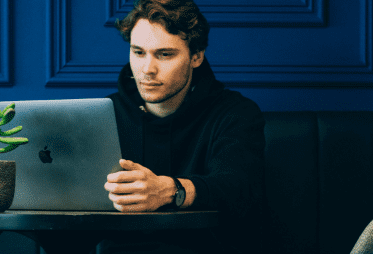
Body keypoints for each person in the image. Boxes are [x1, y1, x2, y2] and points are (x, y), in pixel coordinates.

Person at [100, 0, 266, 253]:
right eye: (138, 52)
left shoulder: (235, 113)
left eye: (165, 54)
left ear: (196, 55)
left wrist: (170, 191)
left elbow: (237, 187)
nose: (147, 69)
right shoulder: (104, 113)